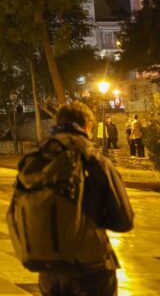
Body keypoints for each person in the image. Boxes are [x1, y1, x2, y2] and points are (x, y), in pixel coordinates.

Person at [7, 102, 133, 296]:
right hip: (91, 269)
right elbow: (124, 220)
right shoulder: (93, 161)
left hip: (49, 272)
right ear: (86, 125)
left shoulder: (38, 159)